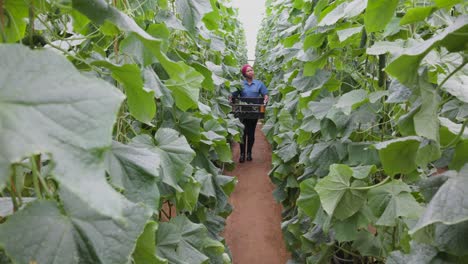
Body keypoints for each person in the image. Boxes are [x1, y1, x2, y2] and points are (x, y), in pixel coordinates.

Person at [230, 64, 269, 163]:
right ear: (244, 74)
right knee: (243, 133)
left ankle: (249, 153)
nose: (251, 72)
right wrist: (231, 98)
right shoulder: (241, 84)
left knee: (251, 133)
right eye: (248, 71)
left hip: (254, 112)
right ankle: (242, 154)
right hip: (242, 112)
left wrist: (265, 99)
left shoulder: (259, 84)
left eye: (251, 70)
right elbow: (233, 95)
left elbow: (265, 94)